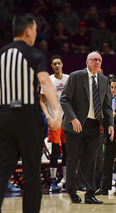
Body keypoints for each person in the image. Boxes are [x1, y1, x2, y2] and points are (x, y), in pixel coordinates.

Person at [0, 14, 62, 213]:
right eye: (35, 31)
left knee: (1, 170)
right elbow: (45, 82)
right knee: (32, 171)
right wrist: (58, 111)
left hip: (4, 118)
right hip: (28, 117)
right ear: (28, 31)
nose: (36, 35)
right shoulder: (35, 55)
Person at [60, 51, 114, 204]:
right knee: (73, 159)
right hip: (75, 125)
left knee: (91, 160)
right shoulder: (76, 76)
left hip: (94, 125)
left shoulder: (103, 80)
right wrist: (73, 118)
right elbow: (65, 100)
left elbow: (107, 106)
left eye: (100, 60)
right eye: (94, 60)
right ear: (87, 62)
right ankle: (72, 191)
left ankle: (90, 194)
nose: (97, 62)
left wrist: (110, 124)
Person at [40, 55, 68, 192]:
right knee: (55, 151)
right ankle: (53, 181)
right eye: (54, 64)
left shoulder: (68, 79)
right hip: (54, 119)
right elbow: (42, 101)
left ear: (62, 64)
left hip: (67, 120)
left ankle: (66, 180)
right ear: (51, 66)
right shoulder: (48, 81)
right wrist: (48, 117)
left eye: (59, 63)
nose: (57, 65)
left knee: (67, 151)